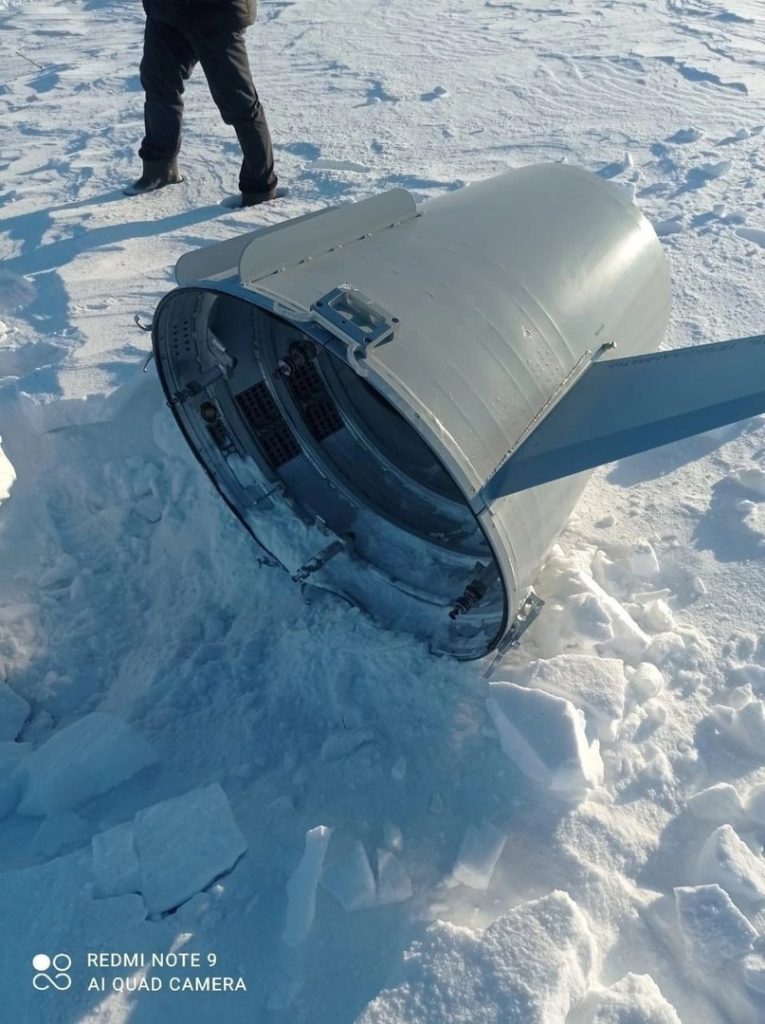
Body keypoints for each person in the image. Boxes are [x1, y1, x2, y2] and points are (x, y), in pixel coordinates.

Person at [127, 0, 282, 206]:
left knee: (237, 100)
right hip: (165, 10)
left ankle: (260, 188)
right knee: (158, 84)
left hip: (216, 13)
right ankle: (160, 169)